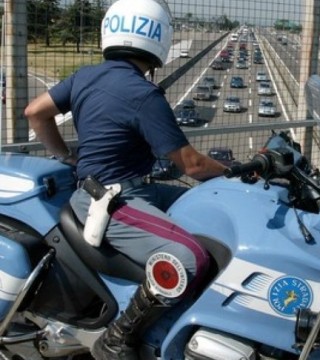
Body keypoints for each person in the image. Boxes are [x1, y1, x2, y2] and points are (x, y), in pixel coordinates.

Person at [24, 0, 227, 359]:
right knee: (191, 257)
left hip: (114, 190)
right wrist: (237, 172)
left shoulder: (86, 76)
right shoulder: (143, 95)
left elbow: (35, 112)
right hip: (111, 201)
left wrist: (65, 155)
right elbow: (192, 166)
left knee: (199, 204)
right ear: (159, 37)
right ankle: (118, 338)